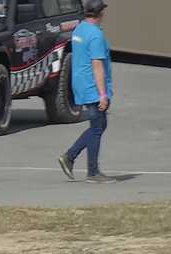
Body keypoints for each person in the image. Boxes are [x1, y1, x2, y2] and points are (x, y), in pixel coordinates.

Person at [58, 0, 112, 182]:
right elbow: (97, 66)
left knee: (99, 125)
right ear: (100, 14)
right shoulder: (96, 36)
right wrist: (103, 94)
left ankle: (70, 157)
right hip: (92, 87)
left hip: (80, 84)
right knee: (97, 127)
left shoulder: (80, 29)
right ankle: (92, 172)